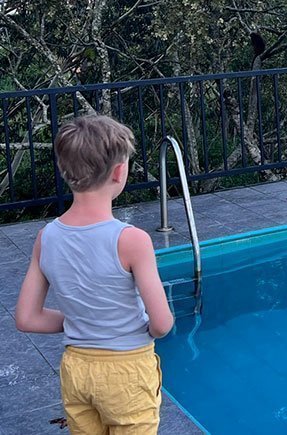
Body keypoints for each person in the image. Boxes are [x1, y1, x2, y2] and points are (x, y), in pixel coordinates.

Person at [15, 115, 174, 434]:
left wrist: (82, 319)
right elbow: (161, 323)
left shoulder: (46, 238)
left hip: (77, 371)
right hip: (126, 372)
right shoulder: (132, 240)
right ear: (119, 171)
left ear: (65, 170)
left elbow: (27, 318)